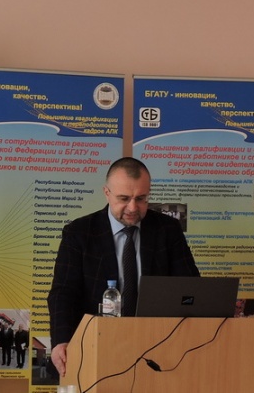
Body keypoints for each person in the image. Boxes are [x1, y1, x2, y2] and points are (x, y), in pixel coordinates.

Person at [47, 157, 199, 378]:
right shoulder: (79, 232)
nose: (133, 208)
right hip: (97, 344)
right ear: (107, 193)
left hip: (158, 345)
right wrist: (61, 340)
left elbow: (190, 287)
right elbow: (63, 292)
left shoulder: (167, 229)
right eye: (124, 198)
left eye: (141, 199)